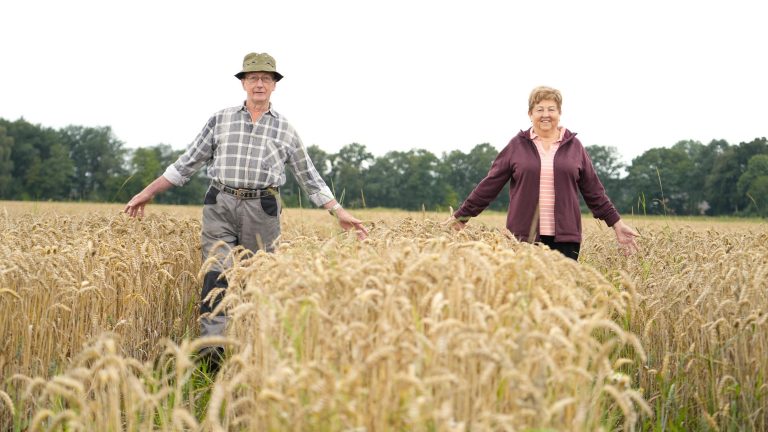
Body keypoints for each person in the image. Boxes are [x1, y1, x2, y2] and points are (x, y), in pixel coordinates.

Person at [124, 52, 368, 366]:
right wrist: (147, 192)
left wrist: (339, 211)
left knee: (256, 278)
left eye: (266, 78)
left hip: (262, 208)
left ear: (275, 86)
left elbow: (309, 176)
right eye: (253, 78)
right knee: (217, 274)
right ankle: (213, 353)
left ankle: (251, 348)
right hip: (220, 204)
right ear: (243, 83)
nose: (259, 84)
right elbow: (186, 164)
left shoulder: (286, 130)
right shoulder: (220, 119)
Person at [446, 85, 638, 260]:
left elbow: (594, 191)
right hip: (522, 238)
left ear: (559, 113)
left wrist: (617, 224)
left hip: (566, 240)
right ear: (530, 114)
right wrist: (462, 217)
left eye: (551, 109)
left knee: (561, 295)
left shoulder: (575, 147)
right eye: (539, 109)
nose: (545, 114)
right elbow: (489, 186)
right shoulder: (516, 146)